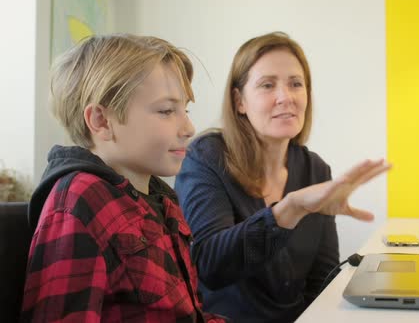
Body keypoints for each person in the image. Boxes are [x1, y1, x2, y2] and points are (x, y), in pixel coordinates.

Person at [175, 32, 390, 322]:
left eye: (295, 84)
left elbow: (321, 280)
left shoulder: (315, 169)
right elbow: (209, 266)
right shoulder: (207, 157)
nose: (285, 97)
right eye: (267, 85)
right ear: (239, 101)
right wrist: (290, 209)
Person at [21, 34, 225, 322]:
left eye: (185, 110)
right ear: (102, 121)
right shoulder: (81, 201)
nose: (189, 127)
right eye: (167, 111)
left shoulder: (163, 199)